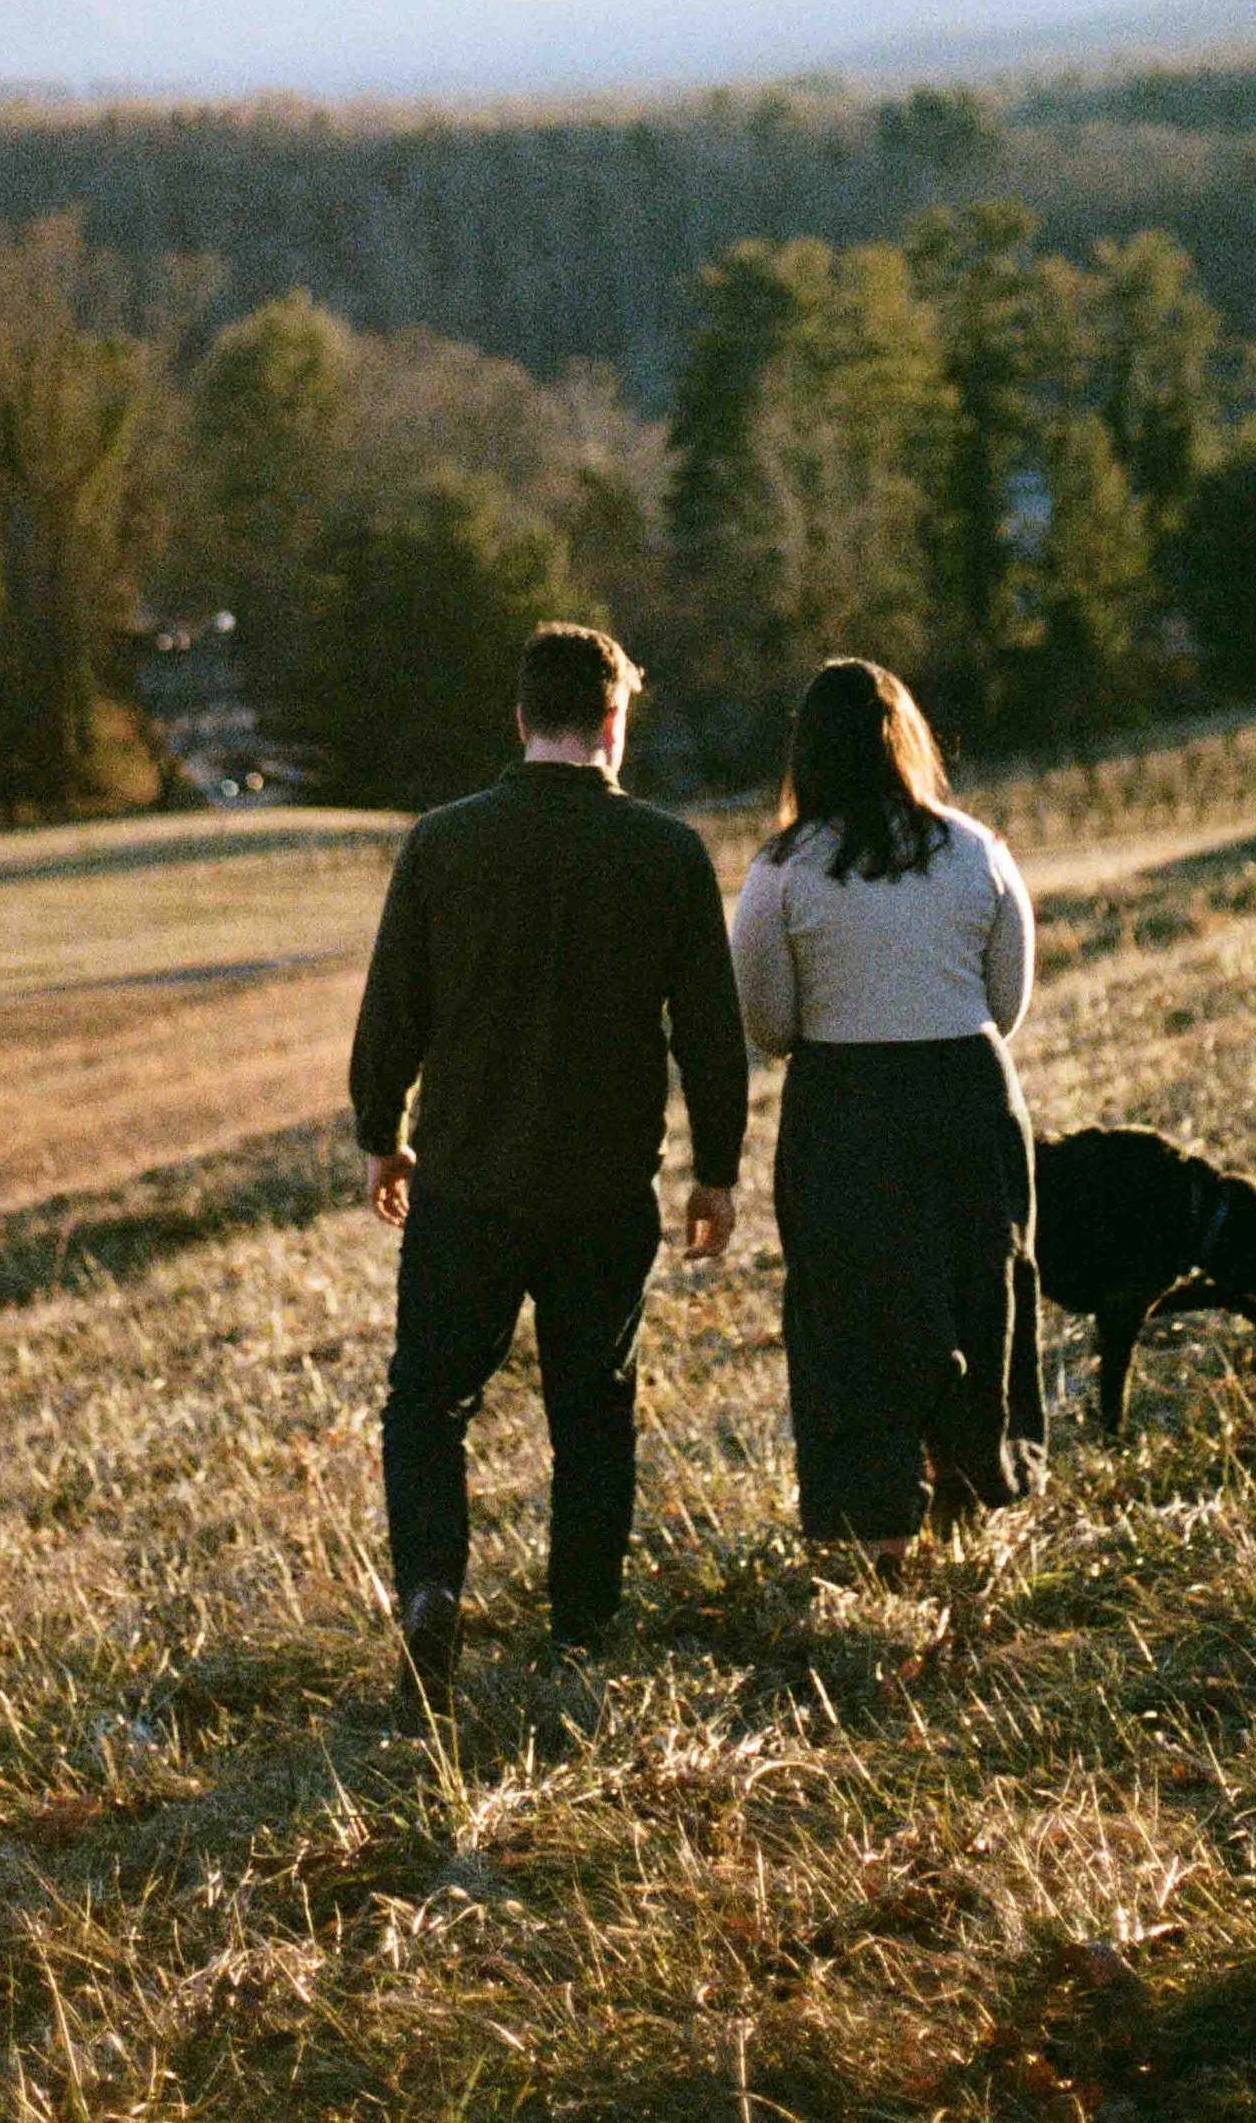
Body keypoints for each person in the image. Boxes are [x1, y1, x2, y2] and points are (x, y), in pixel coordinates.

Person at [349, 621, 749, 1714]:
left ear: (521, 718)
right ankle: (580, 1629)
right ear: (615, 723)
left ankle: (433, 1590)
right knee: (592, 1405)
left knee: (427, 1402)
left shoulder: (441, 843)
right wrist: (715, 1168)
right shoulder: (666, 853)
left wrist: (380, 1132)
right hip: (604, 1188)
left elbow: (394, 1010)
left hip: (468, 1180)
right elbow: (710, 1031)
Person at [730, 655, 1043, 1563]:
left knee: (852, 1313)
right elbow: (1008, 1000)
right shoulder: (978, 851)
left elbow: (769, 1021)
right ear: (908, 742)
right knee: (981, 1286)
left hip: (844, 1106)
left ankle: (874, 1526)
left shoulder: (781, 872)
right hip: (968, 1093)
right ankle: (974, 1476)